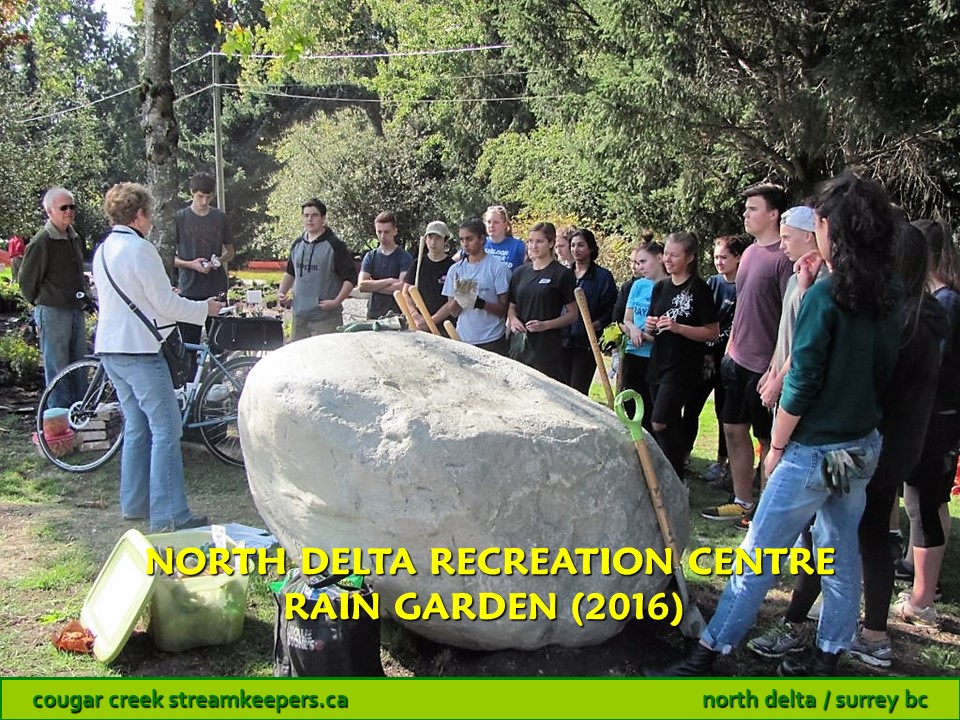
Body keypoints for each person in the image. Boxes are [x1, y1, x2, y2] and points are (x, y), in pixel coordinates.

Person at [653, 170, 902, 677]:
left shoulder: (826, 298)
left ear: (834, 229)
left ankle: (711, 650)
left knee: (757, 556)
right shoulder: (889, 291)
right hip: (858, 446)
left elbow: (803, 379)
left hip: (813, 449)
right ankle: (831, 650)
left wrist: (778, 446)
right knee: (836, 549)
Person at [746, 222, 945, 668]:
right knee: (857, 535)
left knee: (834, 535)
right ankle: (852, 630)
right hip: (894, 444)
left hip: (864, 446)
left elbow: (845, 377)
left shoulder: (900, 320)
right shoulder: (923, 313)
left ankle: (814, 627)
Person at [92, 182, 223, 532]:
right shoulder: (141, 249)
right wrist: (204, 308)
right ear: (138, 215)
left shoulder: (104, 249)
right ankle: (170, 514)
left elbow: (136, 299)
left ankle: (134, 504)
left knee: (137, 425)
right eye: (149, 213)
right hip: (139, 350)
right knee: (167, 428)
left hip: (111, 347)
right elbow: (165, 305)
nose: (151, 221)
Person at [702, 183, 791, 523]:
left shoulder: (784, 259)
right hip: (735, 360)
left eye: (753, 208)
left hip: (765, 367)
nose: (746, 214)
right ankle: (743, 502)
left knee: (767, 440)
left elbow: (790, 316)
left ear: (773, 214)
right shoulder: (751, 252)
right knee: (732, 429)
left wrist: (774, 368)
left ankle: (767, 512)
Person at [894, 218, 960, 627]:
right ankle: (922, 584)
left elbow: (938, 363)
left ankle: (922, 599)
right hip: (937, 415)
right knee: (928, 502)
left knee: (923, 504)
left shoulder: (945, 303)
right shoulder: (940, 299)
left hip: (938, 417)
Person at [643, 232, 719, 475]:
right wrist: (650, 326)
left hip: (683, 366)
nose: (668, 259)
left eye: (674, 255)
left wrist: (679, 328)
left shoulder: (699, 289)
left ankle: (672, 476)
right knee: (669, 424)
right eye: (666, 253)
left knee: (660, 421)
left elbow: (712, 332)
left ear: (690, 257)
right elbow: (654, 327)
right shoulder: (660, 287)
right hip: (658, 361)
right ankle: (674, 476)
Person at [683, 235, 748, 484]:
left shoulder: (744, 285)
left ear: (738, 258)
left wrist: (717, 341)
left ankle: (722, 463)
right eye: (716, 257)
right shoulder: (711, 283)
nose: (719, 262)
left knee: (725, 412)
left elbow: (736, 324)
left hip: (729, 358)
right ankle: (684, 454)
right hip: (704, 357)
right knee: (692, 406)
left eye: (724, 257)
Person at [18, 188, 89, 408]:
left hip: (75, 309)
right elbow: (27, 280)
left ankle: (80, 413)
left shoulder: (73, 236)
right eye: (63, 208)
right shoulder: (42, 240)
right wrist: (44, 302)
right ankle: (59, 418)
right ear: (50, 211)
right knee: (57, 369)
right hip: (53, 310)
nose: (69, 212)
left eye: (72, 207)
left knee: (79, 364)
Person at [173, 172, 234, 373]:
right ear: (192, 193)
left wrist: (219, 260)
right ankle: (191, 387)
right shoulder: (180, 218)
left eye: (208, 197)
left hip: (215, 286)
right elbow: (169, 258)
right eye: (200, 196)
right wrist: (191, 264)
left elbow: (230, 251)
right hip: (189, 287)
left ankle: (216, 386)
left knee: (218, 343)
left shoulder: (219, 217)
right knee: (189, 344)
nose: (204, 201)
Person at [277, 199, 357, 340]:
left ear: (323, 218)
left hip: (325, 319)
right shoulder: (297, 244)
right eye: (306, 215)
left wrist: (337, 301)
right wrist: (281, 293)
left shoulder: (335, 246)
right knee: (300, 360)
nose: (310, 219)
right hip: (299, 317)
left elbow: (350, 278)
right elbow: (290, 273)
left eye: (314, 215)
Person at [506, 222, 577, 380]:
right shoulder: (520, 273)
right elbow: (511, 306)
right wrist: (513, 320)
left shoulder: (562, 274)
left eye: (539, 241)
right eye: (530, 241)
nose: (534, 246)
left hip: (547, 348)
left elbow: (573, 314)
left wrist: (545, 325)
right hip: (520, 346)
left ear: (551, 243)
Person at [437, 218, 511, 353]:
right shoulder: (455, 270)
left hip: (492, 339)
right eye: (462, 240)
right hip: (463, 338)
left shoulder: (498, 268)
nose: (465, 244)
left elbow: (504, 310)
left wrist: (480, 303)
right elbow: (453, 312)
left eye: (469, 239)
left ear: (482, 239)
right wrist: (460, 298)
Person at [560, 228, 617, 394]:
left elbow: (611, 309)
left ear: (590, 248)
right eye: (572, 245)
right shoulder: (564, 275)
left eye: (581, 245)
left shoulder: (603, 277)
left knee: (578, 390)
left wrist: (596, 325)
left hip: (586, 343)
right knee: (561, 388)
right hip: (562, 340)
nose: (575, 250)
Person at [621, 240, 666, 430]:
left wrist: (648, 337)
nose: (639, 267)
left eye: (643, 262)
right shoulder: (638, 285)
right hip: (633, 352)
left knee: (651, 409)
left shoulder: (669, 286)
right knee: (631, 404)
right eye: (637, 263)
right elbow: (626, 319)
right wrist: (634, 330)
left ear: (659, 258)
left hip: (655, 356)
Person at [358, 211, 413, 319]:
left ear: (395, 231)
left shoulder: (404, 257)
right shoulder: (370, 256)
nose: (383, 236)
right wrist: (389, 281)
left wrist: (373, 286)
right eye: (379, 232)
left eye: (387, 232)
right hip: (373, 314)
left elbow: (401, 287)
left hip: (397, 315)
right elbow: (362, 285)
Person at [402, 220, 454, 332]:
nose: (433, 242)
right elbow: (405, 292)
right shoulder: (418, 263)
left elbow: (453, 301)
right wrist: (415, 315)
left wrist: (430, 321)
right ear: (425, 240)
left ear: (445, 241)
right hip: (418, 324)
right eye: (430, 237)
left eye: (438, 238)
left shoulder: (452, 267)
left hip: (444, 327)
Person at [483, 205, 527, 271]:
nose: (491, 226)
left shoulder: (518, 246)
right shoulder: (480, 244)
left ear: (505, 225)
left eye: (496, 222)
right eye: (489, 222)